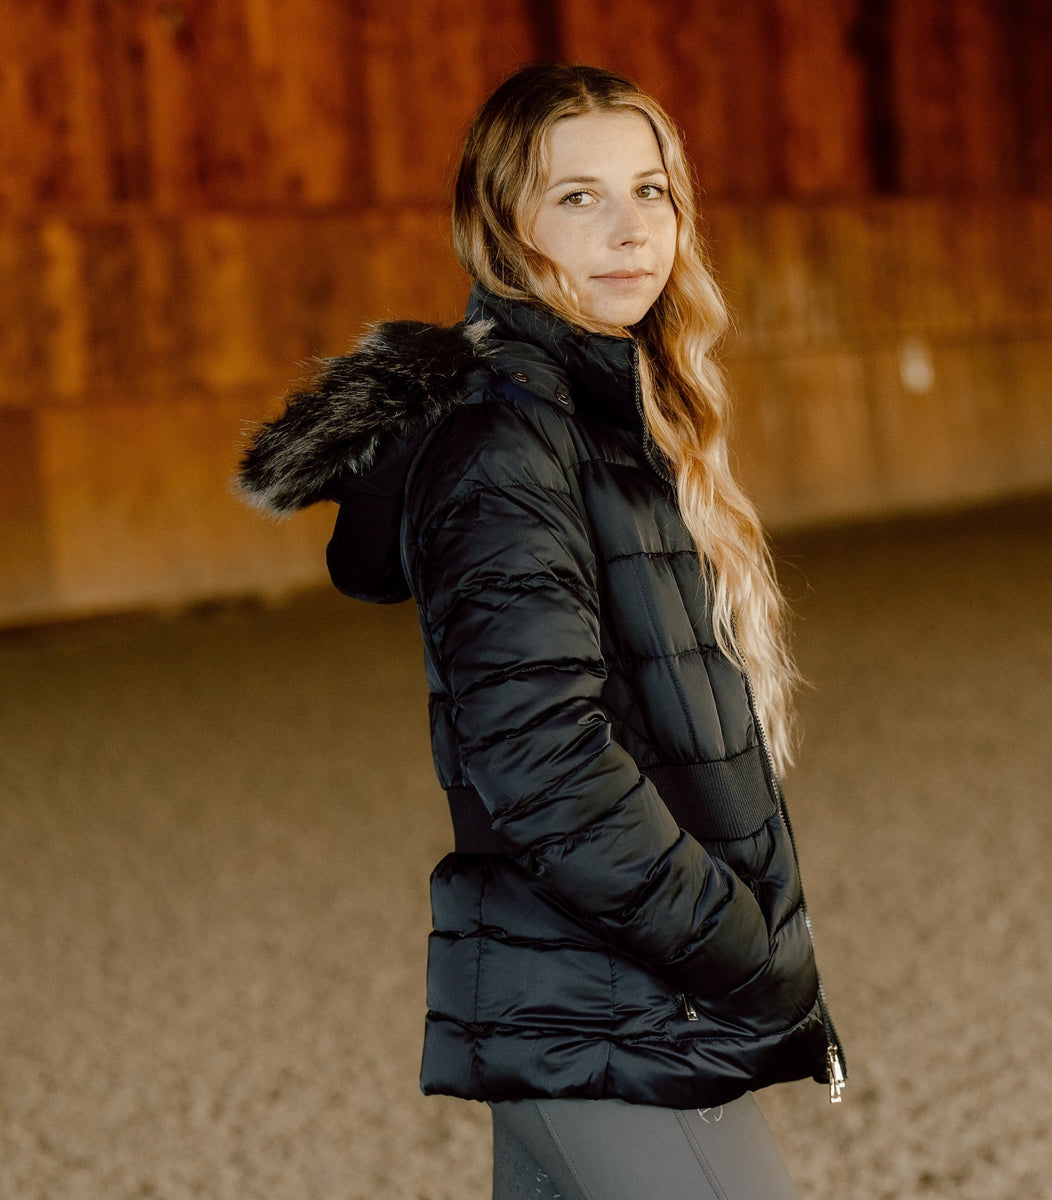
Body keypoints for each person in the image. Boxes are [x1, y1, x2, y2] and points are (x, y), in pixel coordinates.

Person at [237, 62, 846, 1200]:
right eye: (579, 197)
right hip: (615, 1009)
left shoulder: (614, 416)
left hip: (591, 997)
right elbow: (543, 759)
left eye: (651, 191)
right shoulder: (507, 443)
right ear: (503, 226)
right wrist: (742, 952)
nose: (629, 230)